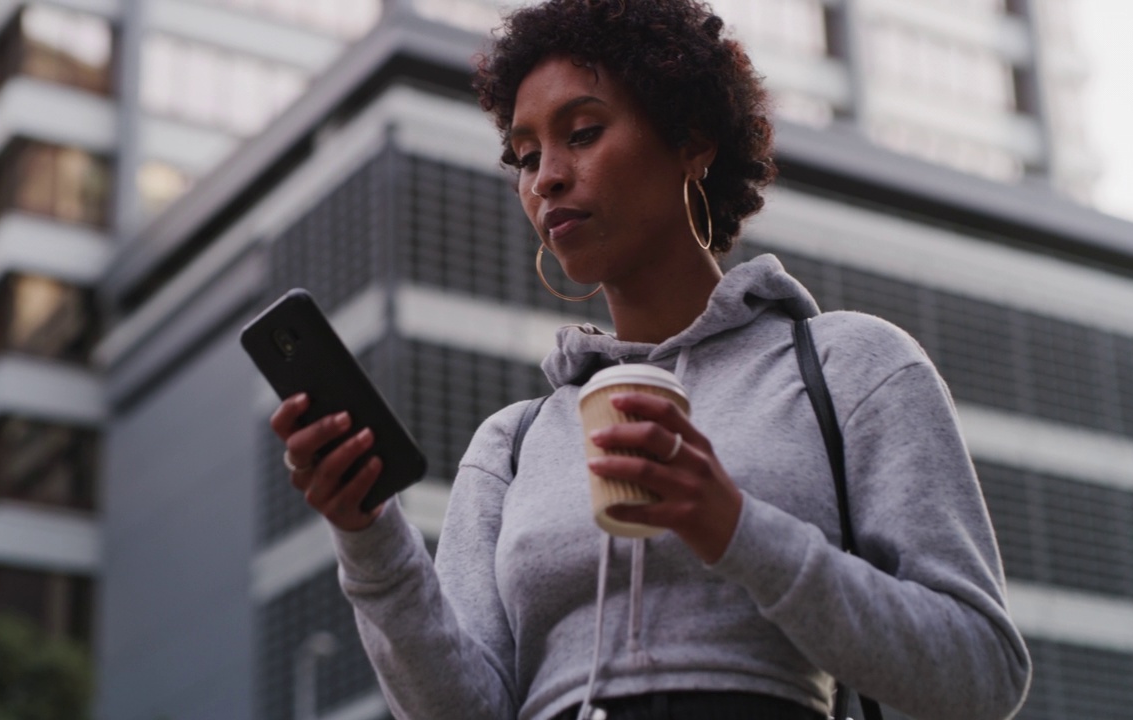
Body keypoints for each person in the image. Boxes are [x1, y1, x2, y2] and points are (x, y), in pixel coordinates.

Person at [269, 0, 1032, 718]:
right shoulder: (513, 445)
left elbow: (982, 673)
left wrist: (736, 528)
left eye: (583, 132)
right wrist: (368, 537)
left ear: (691, 140)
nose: (547, 179)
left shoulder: (850, 367)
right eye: (525, 155)